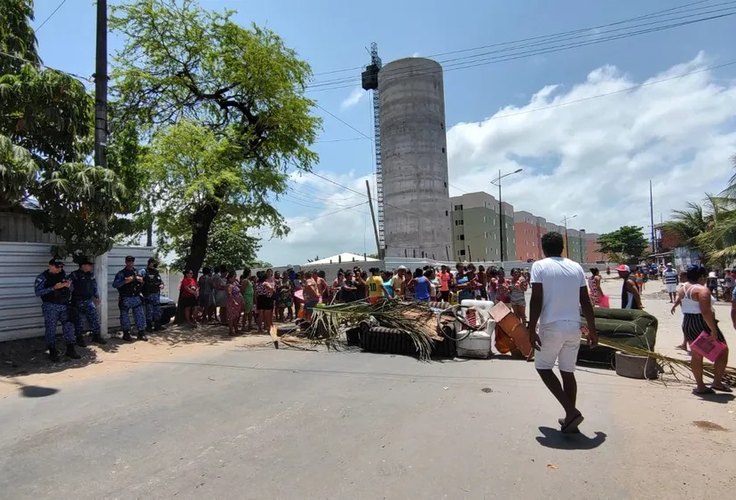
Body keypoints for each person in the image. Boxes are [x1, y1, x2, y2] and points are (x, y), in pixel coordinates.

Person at [528, 232, 597, 434]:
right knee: (568, 372)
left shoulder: (539, 266)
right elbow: (586, 301)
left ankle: (571, 411)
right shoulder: (575, 267)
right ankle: (569, 419)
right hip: (573, 326)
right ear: (562, 247)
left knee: (543, 367)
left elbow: (537, 298)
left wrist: (531, 328)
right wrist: (592, 329)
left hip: (551, 325)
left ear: (543, 248)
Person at [672, 265, 730, 395]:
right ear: (702, 277)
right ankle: (717, 382)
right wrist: (713, 330)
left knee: (696, 354)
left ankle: (700, 386)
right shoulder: (702, 290)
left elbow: (680, 301)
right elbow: (705, 312)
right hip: (701, 323)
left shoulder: (683, 288)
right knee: (723, 350)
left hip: (688, 322)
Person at [34, 258, 80, 361]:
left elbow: (71, 289)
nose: (60, 269)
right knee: (51, 328)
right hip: (50, 306)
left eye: (61, 267)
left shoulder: (63, 275)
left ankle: (70, 349)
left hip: (64, 305)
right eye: (58, 267)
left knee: (69, 326)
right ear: (50, 266)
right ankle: (52, 351)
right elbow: (38, 292)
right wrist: (53, 288)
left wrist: (68, 286)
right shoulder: (42, 277)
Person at [68, 256, 105, 347]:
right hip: (77, 301)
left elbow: (94, 286)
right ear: (83, 266)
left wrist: (96, 296)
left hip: (88, 300)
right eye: (89, 265)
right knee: (78, 321)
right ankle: (79, 338)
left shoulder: (90, 275)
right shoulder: (74, 274)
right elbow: (67, 286)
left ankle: (96, 336)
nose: (91, 267)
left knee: (94, 318)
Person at [112, 256, 147, 342]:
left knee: (140, 316)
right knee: (124, 317)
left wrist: (141, 280)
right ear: (126, 262)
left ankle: (141, 333)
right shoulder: (121, 273)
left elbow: (143, 282)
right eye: (129, 261)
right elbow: (115, 285)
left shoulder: (136, 272)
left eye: (132, 261)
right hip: (125, 298)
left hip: (136, 297)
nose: (130, 263)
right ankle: (126, 334)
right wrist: (125, 281)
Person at [141, 257, 166, 332]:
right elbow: (140, 281)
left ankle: (157, 325)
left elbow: (160, 281)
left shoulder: (156, 272)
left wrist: (162, 285)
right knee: (149, 311)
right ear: (149, 263)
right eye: (152, 262)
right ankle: (149, 327)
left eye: (154, 263)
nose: (153, 264)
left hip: (156, 294)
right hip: (148, 294)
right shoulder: (144, 271)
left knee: (157, 310)